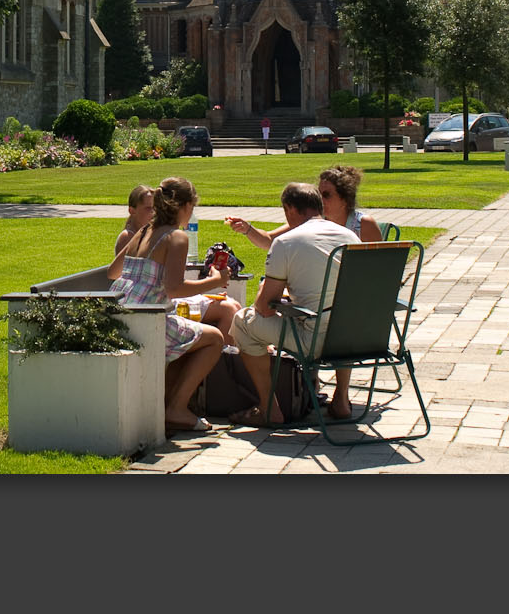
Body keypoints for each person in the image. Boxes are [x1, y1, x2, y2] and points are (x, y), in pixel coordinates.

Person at [223, 165, 379, 418]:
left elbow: (263, 307)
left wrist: (272, 295)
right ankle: (340, 399)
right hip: (356, 337)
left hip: (316, 340)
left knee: (242, 322)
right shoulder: (350, 235)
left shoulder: (287, 241)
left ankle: (268, 409)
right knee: (336, 313)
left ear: (290, 210)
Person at [108, 176, 232, 434]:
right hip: (148, 319)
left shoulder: (143, 231)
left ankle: (169, 405)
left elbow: (113, 272)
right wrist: (215, 280)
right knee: (215, 338)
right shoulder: (176, 237)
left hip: (122, 311)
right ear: (185, 206)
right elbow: (174, 289)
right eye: (193, 207)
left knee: (188, 334)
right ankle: (175, 408)